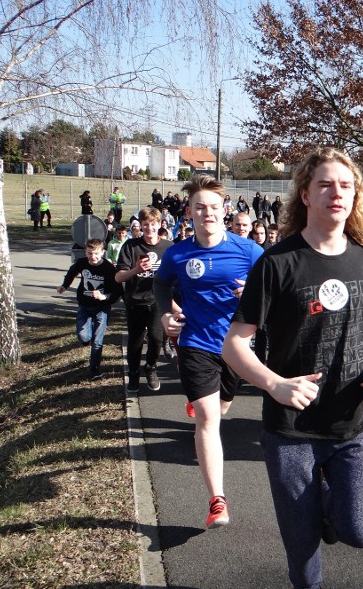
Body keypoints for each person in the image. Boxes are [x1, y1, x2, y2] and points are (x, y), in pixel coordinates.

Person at [222, 147, 363, 589]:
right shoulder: (276, 263)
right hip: (290, 428)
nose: (336, 193)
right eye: (324, 184)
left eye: (345, 185)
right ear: (305, 194)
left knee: (360, 532)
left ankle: (324, 500)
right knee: (302, 550)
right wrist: (274, 384)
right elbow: (234, 345)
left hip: (352, 422)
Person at [154, 175, 264, 529]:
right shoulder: (178, 253)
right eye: (200, 207)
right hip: (196, 345)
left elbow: (274, 289)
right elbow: (160, 282)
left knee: (222, 408)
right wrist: (166, 313)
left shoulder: (247, 251)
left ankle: (207, 402)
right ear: (190, 211)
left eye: (214, 207)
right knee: (208, 420)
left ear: (224, 210)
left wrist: (253, 294)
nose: (207, 213)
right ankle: (217, 500)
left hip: (235, 347)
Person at [116, 206, 173, 393]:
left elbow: (177, 276)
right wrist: (136, 270)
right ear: (140, 226)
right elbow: (118, 277)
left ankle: (151, 368)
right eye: (145, 225)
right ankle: (133, 373)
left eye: (153, 224)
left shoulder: (168, 247)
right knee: (135, 342)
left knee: (157, 339)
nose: (149, 229)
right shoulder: (130, 246)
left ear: (160, 225)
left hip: (158, 301)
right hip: (135, 301)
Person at [56, 238, 123, 379]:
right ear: (85, 252)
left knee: (97, 341)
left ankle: (95, 370)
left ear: (103, 252)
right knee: (83, 336)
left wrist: (104, 297)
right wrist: (65, 285)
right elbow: (72, 272)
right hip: (84, 305)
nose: (93, 257)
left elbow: (117, 291)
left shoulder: (108, 268)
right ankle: (86, 339)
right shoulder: (82, 263)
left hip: (102, 308)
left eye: (96, 254)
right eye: (89, 253)